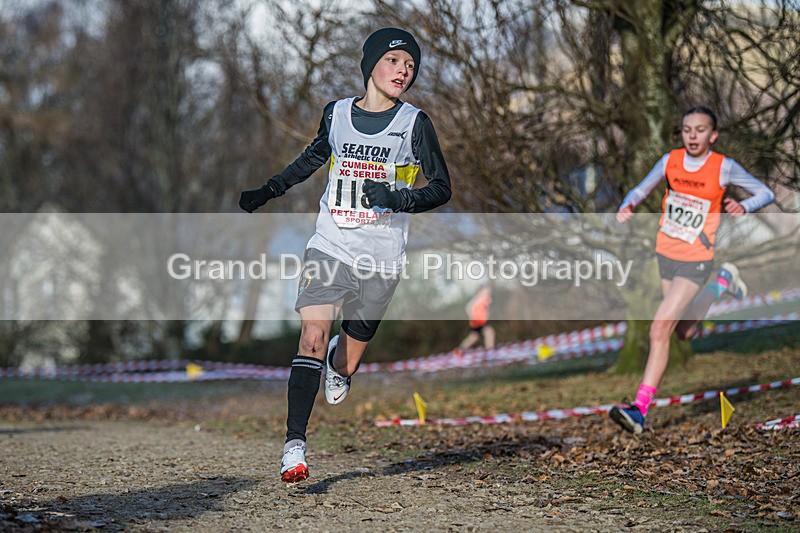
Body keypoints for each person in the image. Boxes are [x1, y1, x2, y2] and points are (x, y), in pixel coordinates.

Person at [239, 28, 451, 481]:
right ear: (372, 63)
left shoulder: (415, 124)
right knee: (311, 337)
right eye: (395, 61)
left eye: (411, 66)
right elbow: (314, 157)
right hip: (330, 244)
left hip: (382, 254)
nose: (404, 71)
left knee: (344, 361)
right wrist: (270, 189)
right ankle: (293, 448)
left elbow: (440, 188)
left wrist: (397, 199)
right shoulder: (336, 114)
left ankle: (341, 361)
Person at [609, 105, 774, 434]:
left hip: (696, 258)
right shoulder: (670, 161)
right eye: (687, 130)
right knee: (684, 332)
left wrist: (744, 205)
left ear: (712, 135)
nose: (693, 136)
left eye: (700, 130)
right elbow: (641, 188)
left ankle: (639, 410)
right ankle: (723, 282)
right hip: (666, 254)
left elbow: (765, 192)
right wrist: (629, 203)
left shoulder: (723, 167)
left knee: (659, 328)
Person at [457, 285, 495, 351]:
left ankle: (460, 349)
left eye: (488, 293)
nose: (488, 294)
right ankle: (489, 350)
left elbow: (486, 307)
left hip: (481, 320)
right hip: (477, 321)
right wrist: (471, 316)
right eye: (486, 292)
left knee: (474, 337)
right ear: (479, 293)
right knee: (489, 332)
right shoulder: (478, 299)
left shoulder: (486, 299)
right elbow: (468, 307)